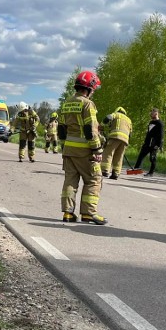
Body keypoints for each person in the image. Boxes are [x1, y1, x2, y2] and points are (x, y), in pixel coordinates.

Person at [58, 70, 106, 224]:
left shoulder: (67, 103)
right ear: (90, 88)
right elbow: (90, 129)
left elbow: (61, 129)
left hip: (68, 150)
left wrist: (66, 145)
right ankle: (88, 213)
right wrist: (97, 150)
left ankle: (68, 213)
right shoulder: (88, 104)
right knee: (94, 179)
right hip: (85, 151)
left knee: (70, 181)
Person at [100, 106, 132, 179]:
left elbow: (107, 118)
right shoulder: (129, 120)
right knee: (119, 156)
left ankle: (105, 170)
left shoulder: (115, 114)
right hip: (125, 140)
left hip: (115, 136)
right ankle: (116, 173)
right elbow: (130, 133)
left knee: (108, 153)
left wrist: (101, 125)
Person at [133, 108, 164, 176]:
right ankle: (136, 170)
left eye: (152, 113)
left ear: (156, 113)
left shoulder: (160, 123)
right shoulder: (151, 122)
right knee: (141, 156)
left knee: (152, 158)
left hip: (154, 144)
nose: (150, 114)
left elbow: (161, 135)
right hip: (147, 143)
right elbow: (149, 133)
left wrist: (159, 145)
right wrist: (145, 141)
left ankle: (151, 172)